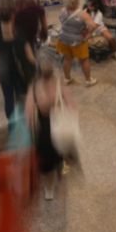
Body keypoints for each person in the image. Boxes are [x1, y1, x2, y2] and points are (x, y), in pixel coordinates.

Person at [26, 57, 74, 200]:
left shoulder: (35, 87)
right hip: (59, 127)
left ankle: (49, 187)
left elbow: (28, 113)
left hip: (47, 129)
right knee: (58, 156)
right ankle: (57, 181)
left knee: (48, 160)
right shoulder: (59, 85)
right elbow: (71, 106)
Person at [56, 0, 98, 86]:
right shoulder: (82, 14)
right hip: (77, 41)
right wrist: (88, 33)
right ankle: (88, 80)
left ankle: (67, 78)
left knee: (67, 59)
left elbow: (62, 22)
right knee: (83, 60)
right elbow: (93, 26)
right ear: (78, 2)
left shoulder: (62, 10)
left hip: (63, 39)